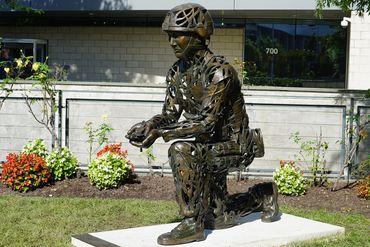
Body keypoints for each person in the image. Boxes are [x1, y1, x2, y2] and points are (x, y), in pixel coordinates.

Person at [126, 3, 279, 245]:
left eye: (179, 35)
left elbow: (207, 122)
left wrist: (161, 132)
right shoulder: (176, 72)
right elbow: (169, 114)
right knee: (219, 217)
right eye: (170, 35)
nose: (172, 42)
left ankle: (190, 223)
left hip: (235, 145)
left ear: (199, 35)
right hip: (207, 148)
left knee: (181, 151)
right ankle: (263, 194)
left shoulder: (221, 72)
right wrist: (150, 125)